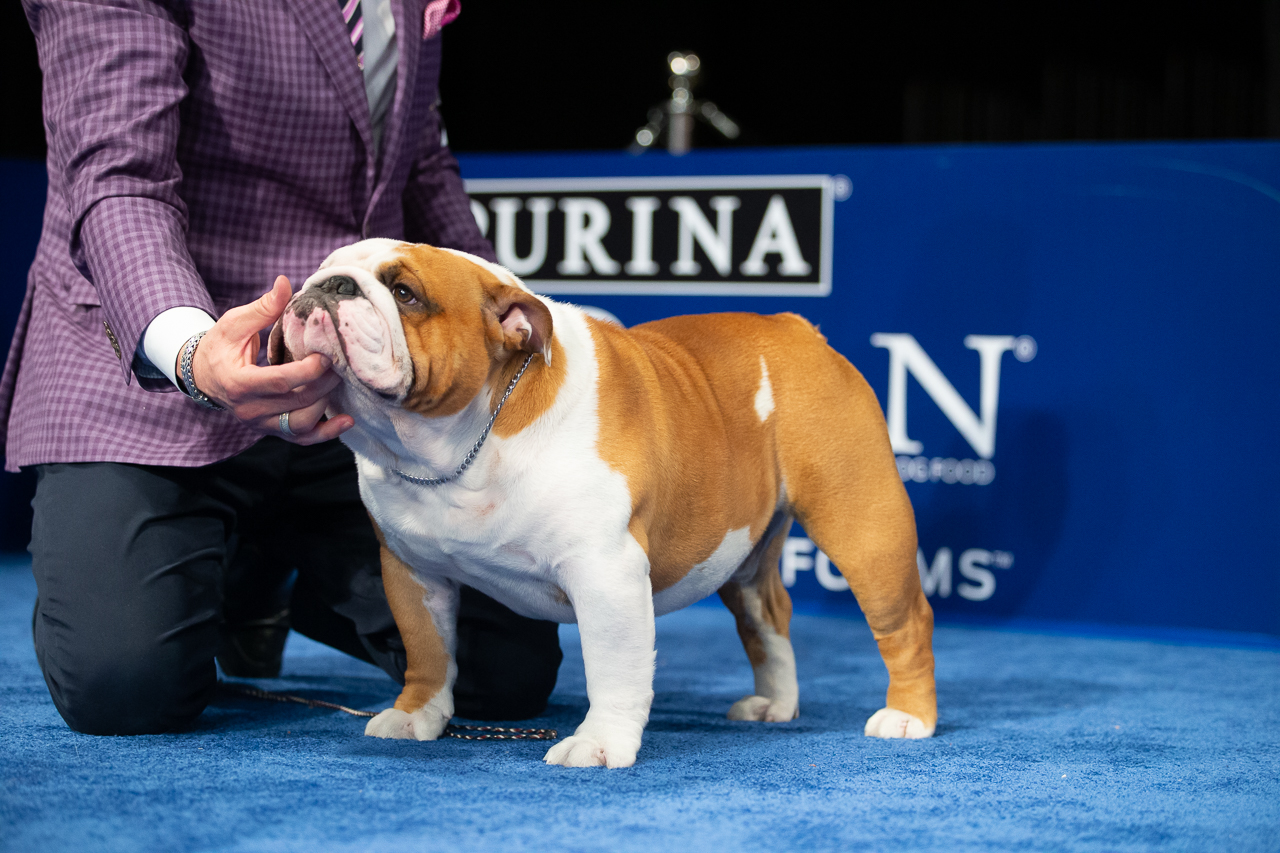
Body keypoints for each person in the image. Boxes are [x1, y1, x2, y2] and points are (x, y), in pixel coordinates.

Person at [2, 0, 563, 736]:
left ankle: (261, 573)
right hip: (155, 369)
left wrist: (517, 312)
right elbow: (117, 180)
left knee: (502, 670)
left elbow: (419, 166)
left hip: (346, 397)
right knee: (126, 689)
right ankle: (225, 571)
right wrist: (194, 352)